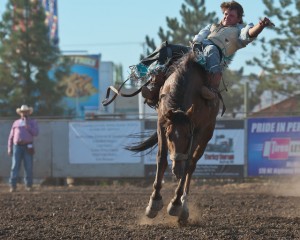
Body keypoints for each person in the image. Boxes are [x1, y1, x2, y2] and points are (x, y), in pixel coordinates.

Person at [130, 1, 273, 107]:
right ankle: (150, 77)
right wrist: (197, 43)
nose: (227, 17)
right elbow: (199, 36)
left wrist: (260, 26)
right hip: (196, 51)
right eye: (225, 14)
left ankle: (212, 87)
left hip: (215, 54)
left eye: (231, 15)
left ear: (238, 19)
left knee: (211, 49)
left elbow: (248, 34)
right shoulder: (212, 26)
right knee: (166, 47)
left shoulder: (239, 30)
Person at [7, 105, 39, 192]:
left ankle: (28, 185)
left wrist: (28, 126)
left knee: (28, 166)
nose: (24, 113)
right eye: (23, 112)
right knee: (15, 166)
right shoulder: (16, 123)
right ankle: (13, 185)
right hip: (17, 146)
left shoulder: (32, 122)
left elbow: (35, 133)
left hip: (28, 146)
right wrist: (9, 147)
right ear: (20, 113)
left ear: (28, 113)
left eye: (26, 112)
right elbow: (11, 136)